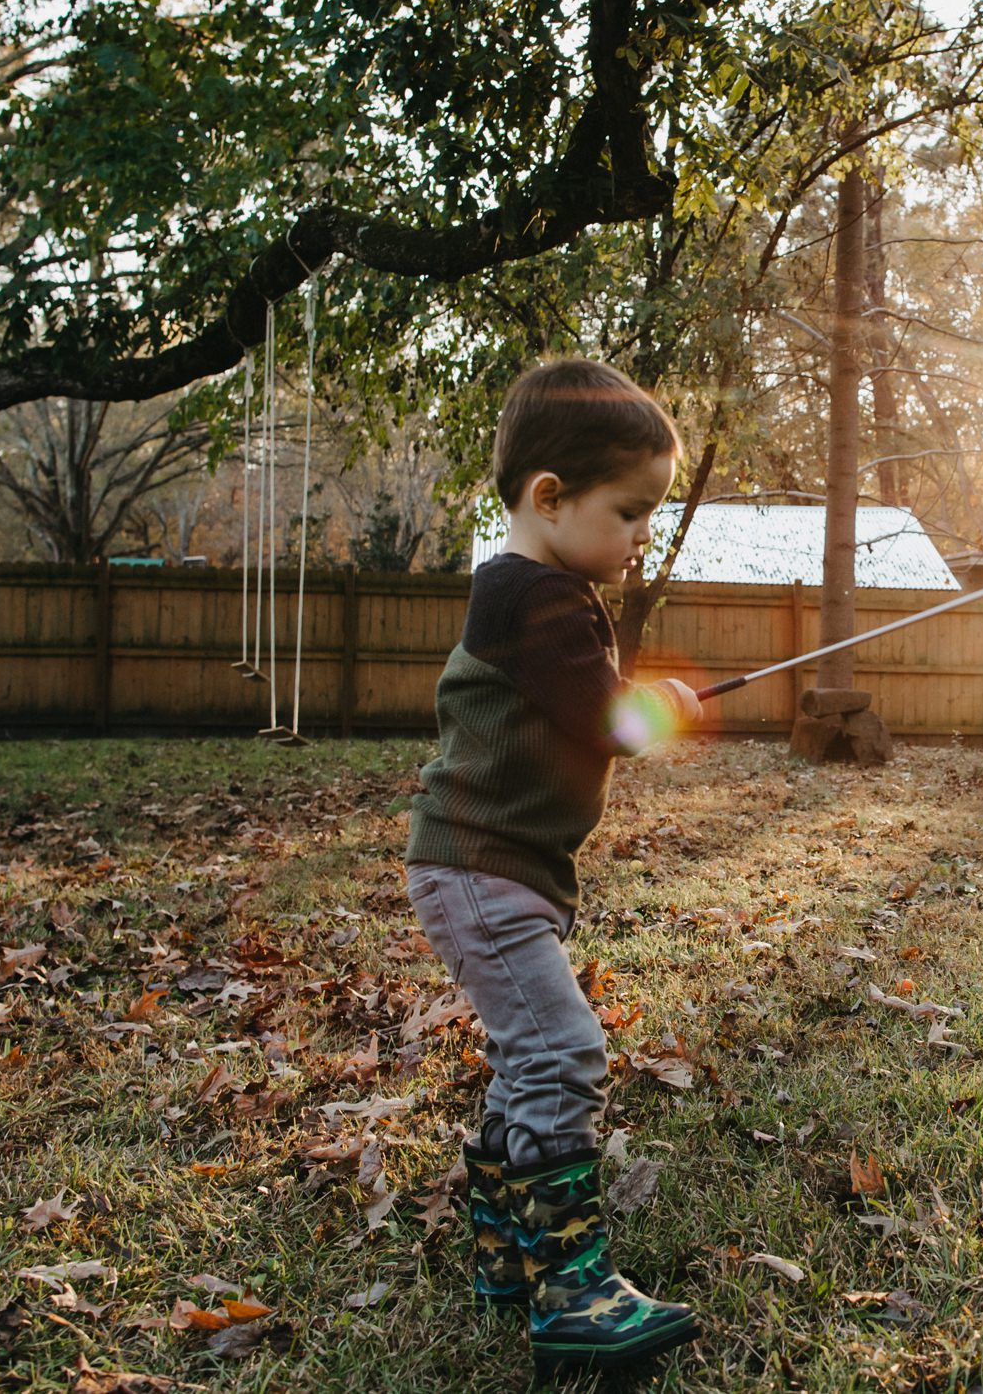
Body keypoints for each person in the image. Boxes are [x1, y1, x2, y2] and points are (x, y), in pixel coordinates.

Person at [405, 358, 705, 1371]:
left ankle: (505, 1252)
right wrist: (671, 709)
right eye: (628, 512)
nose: (639, 535)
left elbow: (592, 702)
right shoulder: (528, 594)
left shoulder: (543, 589)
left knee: (527, 1052)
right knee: (560, 1049)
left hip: (500, 870)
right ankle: (571, 1288)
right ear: (550, 497)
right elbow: (608, 716)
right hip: (479, 867)